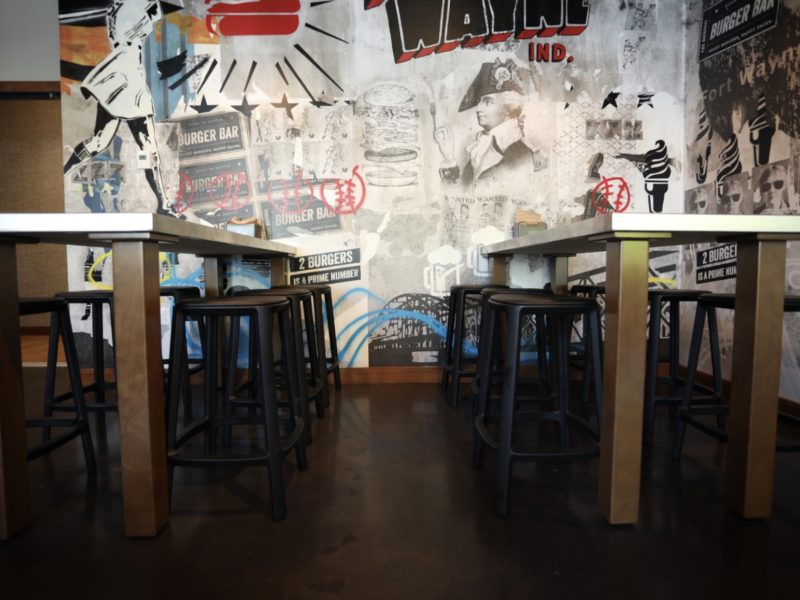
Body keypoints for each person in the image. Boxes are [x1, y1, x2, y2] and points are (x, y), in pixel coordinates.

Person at [63, 0, 180, 218]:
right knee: (130, 145)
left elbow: (155, 13)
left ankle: (163, 204)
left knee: (111, 143)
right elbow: (146, 20)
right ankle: (163, 205)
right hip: (126, 77)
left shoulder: (127, 8)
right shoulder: (128, 9)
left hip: (125, 75)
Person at [435, 59, 544, 194]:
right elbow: (459, 200)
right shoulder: (482, 147)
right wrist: (449, 158)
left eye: (487, 102)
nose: (478, 109)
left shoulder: (522, 155)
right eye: (479, 102)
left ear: (508, 107)